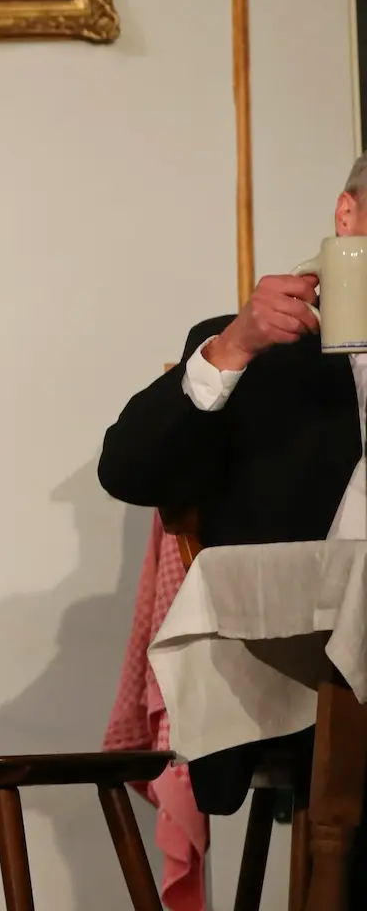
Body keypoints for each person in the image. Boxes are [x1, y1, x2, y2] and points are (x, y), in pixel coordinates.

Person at [98, 152, 367, 858]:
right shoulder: (262, 356)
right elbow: (127, 471)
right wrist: (235, 346)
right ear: (348, 218)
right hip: (303, 690)